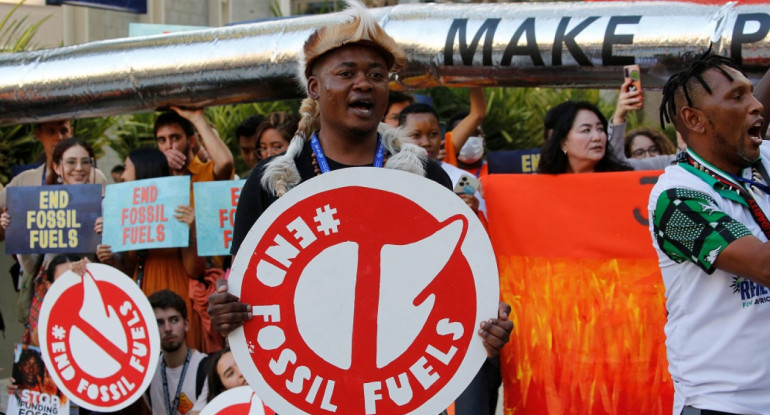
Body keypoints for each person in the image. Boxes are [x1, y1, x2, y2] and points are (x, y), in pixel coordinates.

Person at [211, 0, 511, 395]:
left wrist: (485, 327)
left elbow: (456, 290)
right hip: (309, 390)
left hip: (400, 391)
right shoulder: (271, 181)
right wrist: (226, 311)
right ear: (315, 88)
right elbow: (246, 290)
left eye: (377, 74)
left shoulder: (428, 178)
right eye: (346, 73)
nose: (364, 83)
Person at [651, 52, 770, 414]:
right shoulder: (675, 199)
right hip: (722, 404)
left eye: (752, 93)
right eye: (737, 97)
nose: (756, 106)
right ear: (694, 120)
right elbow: (765, 266)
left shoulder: (760, 158)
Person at [97, 148, 207, 351]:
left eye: (127, 167)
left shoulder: (178, 206)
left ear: (142, 170)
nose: (123, 175)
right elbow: (129, 268)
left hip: (176, 288)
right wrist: (111, 257)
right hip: (141, 290)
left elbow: (195, 270)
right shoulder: (124, 209)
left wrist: (192, 230)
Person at [1, 138, 103, 345]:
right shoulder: (38, 204)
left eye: (85, 162)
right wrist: (17, 232)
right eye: (71, 162)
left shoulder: (105, 204)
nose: (79, 168)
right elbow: (30, 268)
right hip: (48, 293)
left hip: (93, 292)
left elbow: (117, 263)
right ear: (57, 167)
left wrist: (105, 238)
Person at [0, 121, 108, 240]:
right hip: (39, 258)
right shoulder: (24, 181)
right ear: (38, 134)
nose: (59, 137)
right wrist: (6, 224)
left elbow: (109, 221)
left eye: (63, 131)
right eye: (51, 131)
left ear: (71, 132)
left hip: (87, 257)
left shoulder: (94, 176)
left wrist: (106, 225)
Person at [146, 290, 210, 415]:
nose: (168, 328)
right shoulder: (148, 372)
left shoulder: (206, 368)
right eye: (159, 323)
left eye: (174, 320)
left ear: (186, 324)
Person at [538, 101, 632, 174]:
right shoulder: (544, 185)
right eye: (586, 130)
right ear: (563, 143)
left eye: (600, 129)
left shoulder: (622, 177)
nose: (597, 137)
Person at [154, 107, 234, 187]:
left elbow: (225, 162)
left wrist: (197, 117)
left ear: (191, 141)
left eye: (175, 138)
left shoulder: (205, 172)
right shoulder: (155, 177)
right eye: (162, 140)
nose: (168, 146)